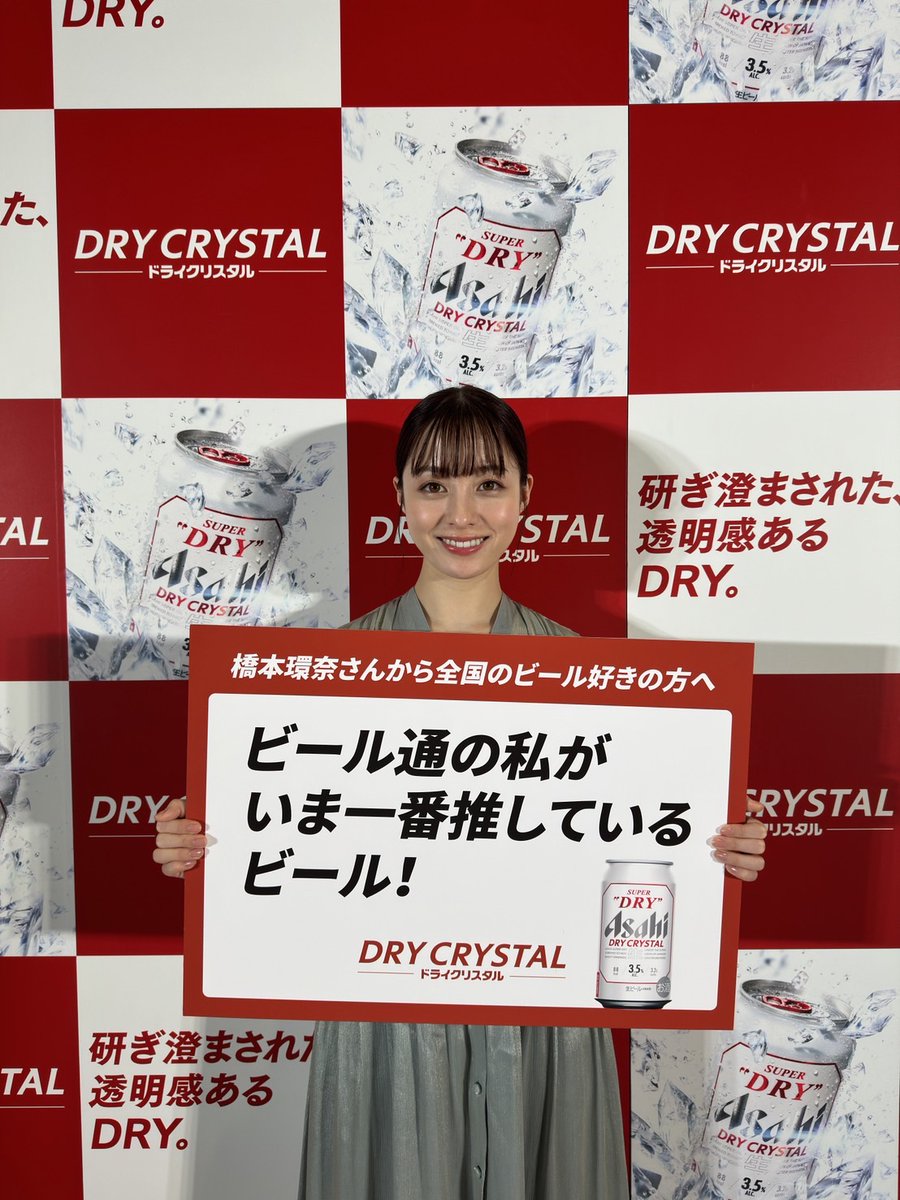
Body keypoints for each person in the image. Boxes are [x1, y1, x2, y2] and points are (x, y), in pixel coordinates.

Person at [154, 386, 768, 1200]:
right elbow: (269, 844)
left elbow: (648, 859)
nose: (461, 513)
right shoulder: (321, 673)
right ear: (399, 497)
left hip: (545, 1023)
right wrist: (199, 844)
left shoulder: (602, 678)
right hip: (383, 1030)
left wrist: (719, 851)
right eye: (434, 485)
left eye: (488, 483)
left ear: (526, 495)